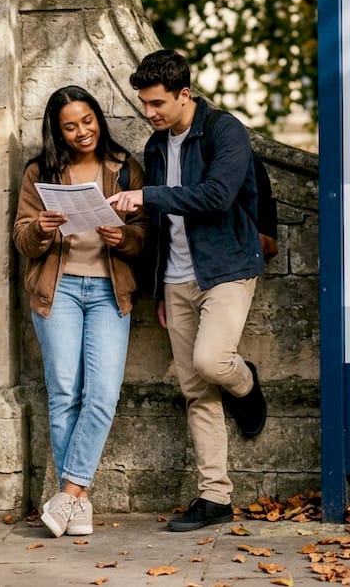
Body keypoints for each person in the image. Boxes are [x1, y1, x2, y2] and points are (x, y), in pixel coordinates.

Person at [107, 49, 267, 532]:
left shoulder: (224, 131)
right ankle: (215, 497)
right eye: (143, 103)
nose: (149, 112)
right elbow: (160, 226)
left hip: (226, 268)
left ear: (184, 94)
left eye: (157, 103)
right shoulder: (157, 146)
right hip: (176, 278)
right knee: (195, 390)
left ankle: (246, 383)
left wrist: (146, 194)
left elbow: (217, 196)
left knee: (212, 362)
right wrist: (159, 287)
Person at [12, 85, 148, 538]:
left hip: (111, 290)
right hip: (59, 291)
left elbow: (147, 234)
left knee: (103, 392)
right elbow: (22, 239)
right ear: (57, 131)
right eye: (70, 126)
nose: (82, 132)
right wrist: (41, 228)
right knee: (65, 391)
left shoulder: (125, 168)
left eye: (87, 121)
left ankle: (69, 493)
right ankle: (78, 504)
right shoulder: (40, 172)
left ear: (98, 119)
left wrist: (122, 237)